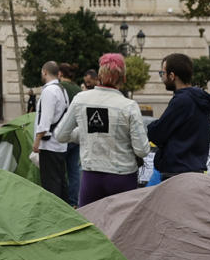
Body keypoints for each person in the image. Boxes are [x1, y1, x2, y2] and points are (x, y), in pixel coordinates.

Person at [52, 53, 150, 206]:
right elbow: (142, 151)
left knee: (90, 224)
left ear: (99, 76)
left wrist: (85, 132)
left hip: (91, 176)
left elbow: (60, 135)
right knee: (121, 225)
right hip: (122, 176)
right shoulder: (129, 106)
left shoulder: (81, 99)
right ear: (123, 79)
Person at [146, 54, 210, 183]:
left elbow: (158, 133)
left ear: (172, 76)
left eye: (163, 73)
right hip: (195, 169)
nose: (162, 77)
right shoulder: (199, 99)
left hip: (177, 172)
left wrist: (151, 127)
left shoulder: (182, 100)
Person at [34, 60, 74, 205]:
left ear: (45, 72)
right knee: (60, 181)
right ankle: (64, 210)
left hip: (49, 144)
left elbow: (45, 120)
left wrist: (37, 141)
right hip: (59, 143)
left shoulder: (49, 91)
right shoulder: (61, 90)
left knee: (51, 184)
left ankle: (54, 213)